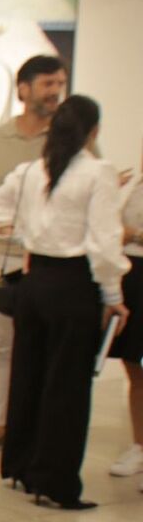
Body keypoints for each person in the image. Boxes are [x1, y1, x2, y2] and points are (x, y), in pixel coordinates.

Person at [0, 95, 129, 510]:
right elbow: (103, 243)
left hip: (34, 283)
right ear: (93, 132)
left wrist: (25, 230)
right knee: (67, 386)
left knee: (27, 375)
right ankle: (55, 483)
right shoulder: (99, 172)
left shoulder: (30, 171)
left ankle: (21, 468)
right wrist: (113, 296)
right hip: (73, 286)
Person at [0, 55, 68, 447]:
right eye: (47, 83)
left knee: (42, 342)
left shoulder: (70, 140)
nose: (55, 91)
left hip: (51, 258)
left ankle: (35, 424)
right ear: (24, 89)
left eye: (60, 83)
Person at [108, 171, 143, 486]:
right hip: (131, 274)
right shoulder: (133, 182)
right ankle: (139, 446)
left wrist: (133, 234)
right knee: (133, 364)